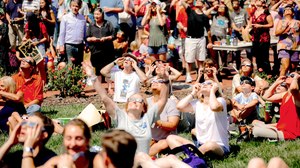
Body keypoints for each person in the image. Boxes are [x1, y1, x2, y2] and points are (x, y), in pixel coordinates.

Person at [82, 60, 169, 153]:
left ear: (144, 107)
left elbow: (163, 99)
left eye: (138, 100)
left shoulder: (148, 118)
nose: (134, 102)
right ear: (127, 106)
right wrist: (92, 76)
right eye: (131, 100)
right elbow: (104, 97)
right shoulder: (121, 116)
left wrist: (165, 78)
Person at [167, 80, 230, 158]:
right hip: (199, 144)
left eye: (209, 83)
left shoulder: (220, 101)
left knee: (209, 145)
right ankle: (192, 156)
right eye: (203, 83)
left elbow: (214, 107)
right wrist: (193, 93)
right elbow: (179, 107)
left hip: (219, 146)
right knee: (171, 138)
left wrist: (212, 92)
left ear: (215, 87)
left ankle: (188, 157)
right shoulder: (197, 103)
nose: (204, 84)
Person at [26, 119, 96, 168]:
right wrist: (28, 146)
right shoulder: (55, 162)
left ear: (87, 140)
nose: (73, 143)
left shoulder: (97, 160)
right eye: (68, 138)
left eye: (78, 138)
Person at [252, 72, 300, 140]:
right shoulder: (284, 95)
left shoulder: (297, 96)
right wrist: (276, 82)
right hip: (280, 128)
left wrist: (296, 78)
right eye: (288, 75)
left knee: (256, 130)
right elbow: (266, 97)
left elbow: (294, 89)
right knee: (255, 122)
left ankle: (252, 132)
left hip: (290, 133)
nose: (288, 76)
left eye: (292, 76)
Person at [180, 0, 213, 83]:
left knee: (201, 59)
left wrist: (210, 42)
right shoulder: (190, 11)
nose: (197, 1)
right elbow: (183, 2)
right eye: (197, 1)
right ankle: (188, 75)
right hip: (190, 39)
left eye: (200, 1)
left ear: (203, 5)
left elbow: (208, 30)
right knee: (189, 59)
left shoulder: (204, 16)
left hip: (201, 39)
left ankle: (200, 75)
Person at [147, 78, 180, 157]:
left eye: (159, 81)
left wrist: (156, 120)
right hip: (148, 139)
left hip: (164, 139)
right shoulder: (145, 102)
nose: (155, 82)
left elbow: (173, 125)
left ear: (166, 86)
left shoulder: (171, 103)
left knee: (163, 144)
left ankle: (143, 156)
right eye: (153, 81)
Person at [86, 7, 115, 79]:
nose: (96, 16)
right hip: (95, 51)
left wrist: (106, 38)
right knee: (97, 70)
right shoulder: (91, 25)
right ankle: (100, 88)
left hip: (107, 51)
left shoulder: (108, 24)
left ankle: (109, 87)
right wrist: (92, 39)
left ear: (102, 15)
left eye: (98, 14)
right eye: (95, 14)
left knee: (107, 69)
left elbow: (113, 35)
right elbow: (87, 37)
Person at [58, 0, 86, 66]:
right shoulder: (65, 18)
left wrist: (85, 43)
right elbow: (62, 33)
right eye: (73, 6)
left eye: (76, 6)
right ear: (70, 6)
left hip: (80, 45)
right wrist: (61, 45)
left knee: (79, 66)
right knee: (70, 66)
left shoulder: (82, 18)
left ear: (80, 7)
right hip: (69, 45)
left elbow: (84, 32)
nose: (75, 8)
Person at [249, 0, 273, 75]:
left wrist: (261, 26)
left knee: (264, 57)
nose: (257, 1)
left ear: (262, 3)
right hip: (255, 37)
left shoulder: (266, 13)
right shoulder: (253, 12)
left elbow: (271, 24)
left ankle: (268, 74)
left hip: (264, 37)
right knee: (257, 57)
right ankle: (260, 74)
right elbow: (250, 23)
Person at [275, 5, 300, 76]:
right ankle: (280, 83)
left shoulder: (298, 22)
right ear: (283, 13)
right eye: (286, 9)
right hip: (283, 45)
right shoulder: (281, 22)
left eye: (290, 9)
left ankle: (289, 83)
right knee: (285, 66)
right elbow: (276, 33)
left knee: (293, 67)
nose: (288, 10)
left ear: (293, 13)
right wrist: (285, 28)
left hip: (295, 46)